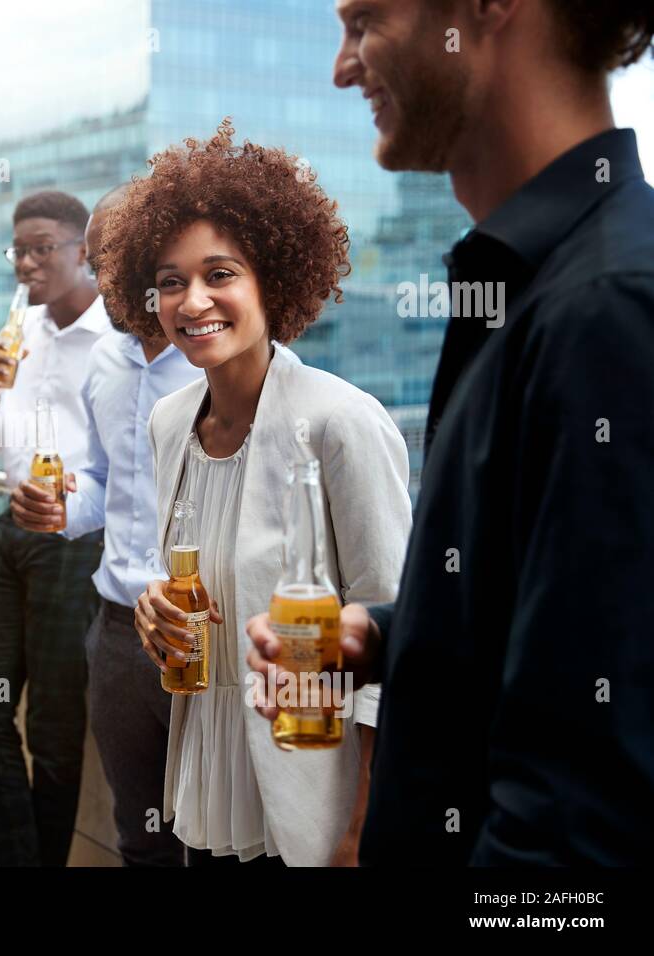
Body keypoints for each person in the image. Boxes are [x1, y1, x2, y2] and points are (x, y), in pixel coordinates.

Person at [249, 0, 654, 865]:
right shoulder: (529, 287)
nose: (342, 67)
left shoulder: (605, 310)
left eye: (365, 21)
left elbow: (583, 828)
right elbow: (552, 631)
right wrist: (395, 636)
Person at [104, 122, 413, 865]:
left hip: (314, 800)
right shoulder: (170, 419)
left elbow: (401, 638)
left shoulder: (341, 423)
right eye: (171, 280)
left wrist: (361, 827)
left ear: (271, 279)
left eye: (219, 273)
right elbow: (202, 572)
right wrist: (152, 609)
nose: (192, 299)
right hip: (207, 783)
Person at [10, 185, 201, 866]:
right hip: (118, 633)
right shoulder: (106, 360)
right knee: (139, 838)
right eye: (92, 260)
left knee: (218, 839)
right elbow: (100, 479)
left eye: (110, 260)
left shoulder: (215, 362)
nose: (97, 277)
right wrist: (64, 511)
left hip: (200, 633)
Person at [0, 190, 112, 867]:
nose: (25, 261)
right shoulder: (24, 327)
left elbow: (129, 470)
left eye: (41, 247)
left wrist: (71, 507)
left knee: (52, 733)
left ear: (83, 251)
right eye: (17, 249)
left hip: (73, 541)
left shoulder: (117, 339)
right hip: (12, 537)